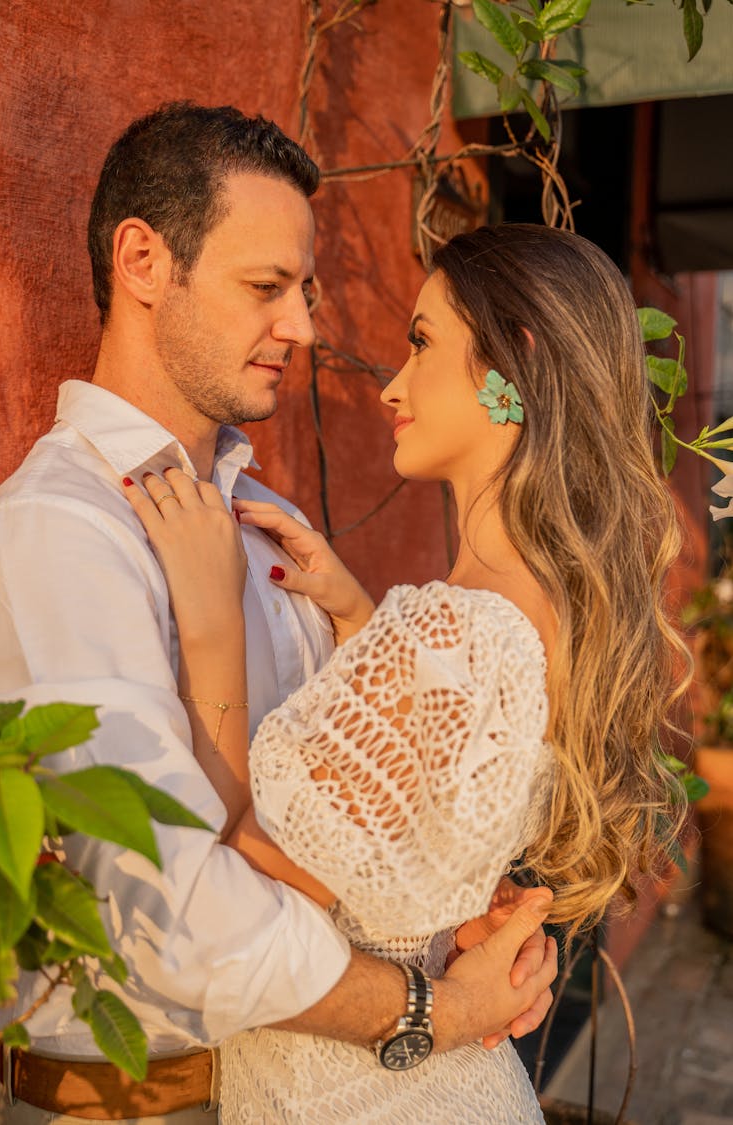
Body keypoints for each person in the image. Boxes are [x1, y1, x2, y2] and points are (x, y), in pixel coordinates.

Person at [0, 103, 558, 1124]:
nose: (302, 326)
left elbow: (341, 842)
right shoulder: (60, 532)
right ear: (144, 261)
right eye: (265, 288)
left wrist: (455, 916)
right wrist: (433, 1004)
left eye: (305, 290)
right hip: (130, 1104)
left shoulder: (273, 525)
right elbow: (167, 908)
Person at [124, 221, 691, 1122]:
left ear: (517, 361)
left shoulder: (460, 629)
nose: (392, 384)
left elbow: (243, 862)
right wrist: (361, 616)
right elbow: (421, 820)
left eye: (423, 343)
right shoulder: (544, 601)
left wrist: (209, 614)